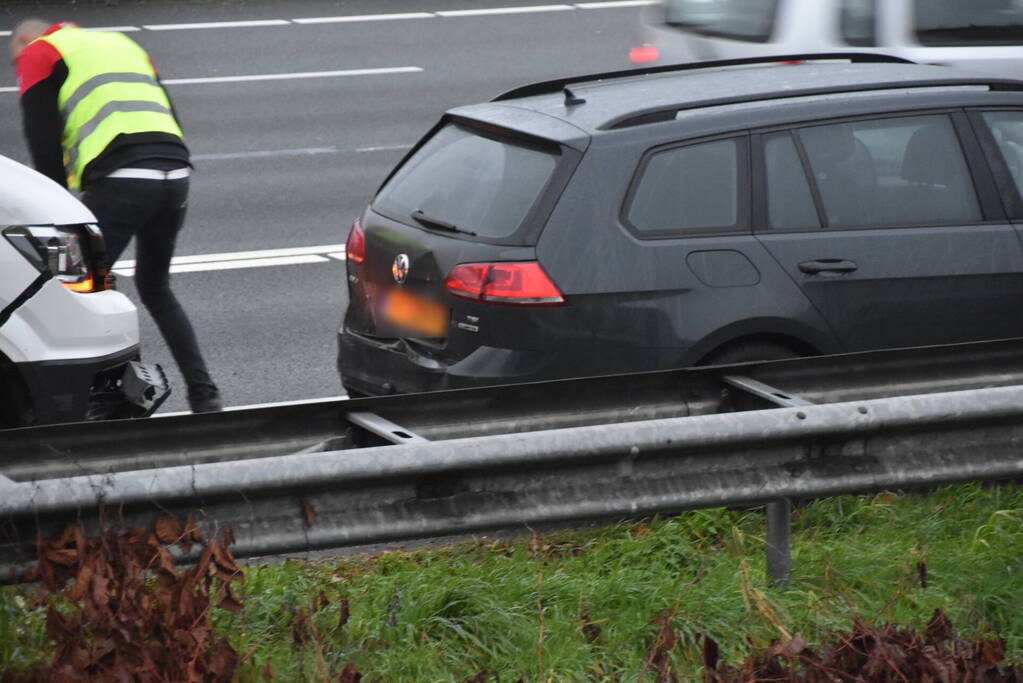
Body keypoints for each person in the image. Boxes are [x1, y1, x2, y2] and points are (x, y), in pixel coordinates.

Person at [10, 19, 222, 413]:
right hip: (175, 175)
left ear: (24, 41)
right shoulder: (121, 44)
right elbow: (168, 114)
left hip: (122, 182)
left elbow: (42, 143)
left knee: (69, 282)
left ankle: (114, 401)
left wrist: (58, 213)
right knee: (155, 287)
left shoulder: (39, 52)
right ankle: (204, 395)